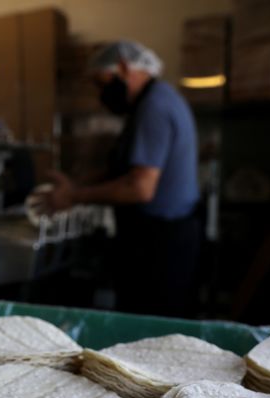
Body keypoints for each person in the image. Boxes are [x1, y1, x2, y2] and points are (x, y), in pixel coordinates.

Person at [31, 41, 201, 317]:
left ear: (123, 67)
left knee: (149, 323)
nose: (102, 94)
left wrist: (74, 197)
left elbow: (140, 187)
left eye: (102, 83)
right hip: (157, 236)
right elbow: (123, 171)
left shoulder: (154, 107)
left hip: (160, 244)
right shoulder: (155, 101)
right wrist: (76, 185)